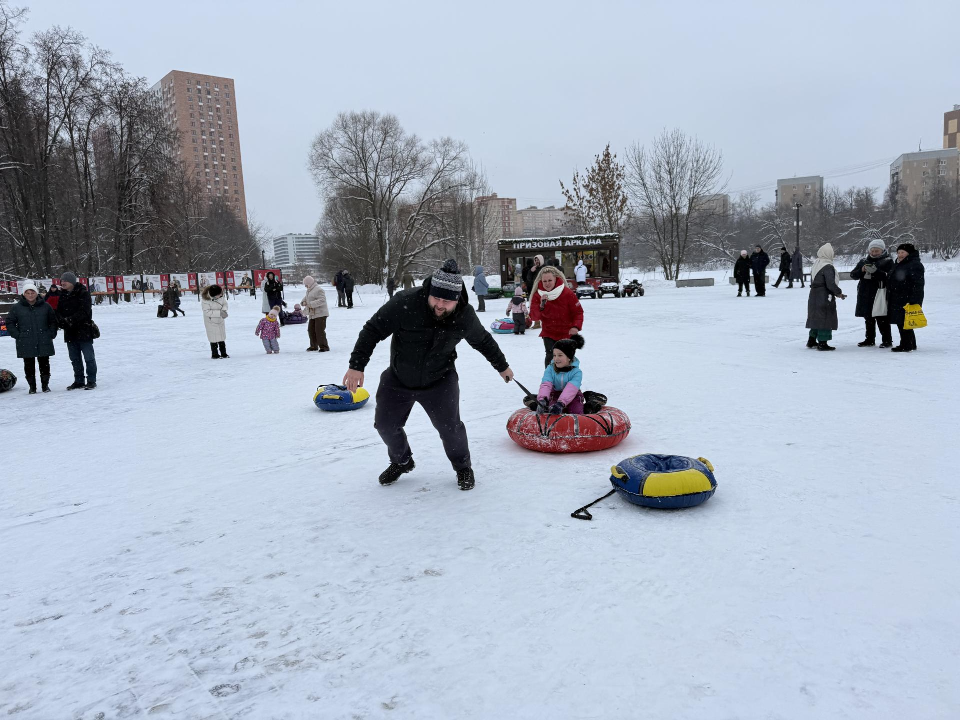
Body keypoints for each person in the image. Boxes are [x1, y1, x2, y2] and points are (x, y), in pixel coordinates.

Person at [343, 259, 514, 492]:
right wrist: (356, 365)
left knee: (450, 428)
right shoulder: (406, 302)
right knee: (384, 425)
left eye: (447, 301)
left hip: (440, 380)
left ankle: (463, 467)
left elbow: (482, 340)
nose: (440, 305)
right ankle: (402, 460)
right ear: (429, 292)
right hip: (398, 378)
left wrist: (501, 366)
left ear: (457, 299)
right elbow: (373, 329)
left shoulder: (463, 315)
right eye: (436, 298)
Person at [6, 281, 58, 394]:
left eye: (32, 292)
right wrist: (17, 335)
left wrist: (51, 333)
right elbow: (10, 322)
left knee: (44, 363)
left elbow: (53, 321)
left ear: (36, 293)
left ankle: (45, 385)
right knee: (28, 365)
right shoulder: (17, 308)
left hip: (43, 338)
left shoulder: (45, 306)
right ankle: (32, 387)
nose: (30, 295)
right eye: (28, 293)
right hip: (25, 340)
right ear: (24, 294)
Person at [528, 265, 583, 367]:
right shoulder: (537, 295)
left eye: (550, 280)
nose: (547, 284)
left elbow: (578, 312)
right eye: (545, 281)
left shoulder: (567, 292)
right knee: (551, 356)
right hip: (549, 333)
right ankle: (549, 380)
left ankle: (568, 380)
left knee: (566, 357)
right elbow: (534, 317)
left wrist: (575, 326)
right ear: (541, 281)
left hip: (566, 332)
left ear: (555, 279)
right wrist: (541, 305)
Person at [56, 272, 98, 390]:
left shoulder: (83, 293)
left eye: (65, 281)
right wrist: (60, 320)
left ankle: (91, 380)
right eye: (61, 281)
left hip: (84, 330)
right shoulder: (62, 295)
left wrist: (70, 320)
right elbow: (59, 311)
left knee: (89, 357)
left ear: (72, 282)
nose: (62, 283)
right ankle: (79, 380)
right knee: (74, 358)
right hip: (70, 332)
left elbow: (85, 312)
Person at [850, 239, 893, 347]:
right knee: (868, 317)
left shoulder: (888, 261)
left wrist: (876, 272)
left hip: (880, 292)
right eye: (872, 250)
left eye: (876, 251)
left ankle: (887, 340)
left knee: (881, 317)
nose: (874, 253)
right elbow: (853, 275)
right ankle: (869, 339)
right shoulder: (863, 261)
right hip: (865, 293)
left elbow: (890, 277)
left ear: (882, 250)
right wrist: (862, 270)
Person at [805, 243, 847, 351]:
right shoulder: (827, 266)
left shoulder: (816, 264)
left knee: (816, 317)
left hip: (814, 294)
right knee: (825, 317)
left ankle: (812, 340)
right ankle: (822, 343)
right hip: (824, 295)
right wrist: (839, 293)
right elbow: (830, 284)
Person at [886, 242, 925, 353]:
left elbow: (918, 284)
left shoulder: (914, 264)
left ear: (909, 253)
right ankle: (910, 343)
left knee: (904, 322)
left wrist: (914, 300)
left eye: (902, 252)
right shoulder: (899, 263)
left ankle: (906, 344)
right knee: (902, 321)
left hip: (907, 298)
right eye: (898, 252)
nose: (900, 254)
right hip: (897, 297)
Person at [535, 335, 586, 415]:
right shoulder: (550, 369)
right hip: (555, 395)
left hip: (574, 396)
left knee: (576, 412)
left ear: (569, 357)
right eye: (554, 355)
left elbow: (571, 389)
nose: (556, 359)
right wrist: (542, 399)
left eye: (560, 355)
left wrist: (561, 403)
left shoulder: (576, 372)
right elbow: (546, 384)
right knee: (551, 413)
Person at [300, 275, 330, 351]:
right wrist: (303, 302)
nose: (305, 286)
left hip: (320, 313)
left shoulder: (318, 289)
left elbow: (322, 300)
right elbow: (306, 298)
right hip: (312, 314)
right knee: (311, 330)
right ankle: (313, 346)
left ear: (309, 283)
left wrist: (311, 304)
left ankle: (324, 346)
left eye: (306, 284)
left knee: (319, 330)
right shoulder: (309, 290)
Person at [201, 284, 230, 359]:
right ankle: (215, 354)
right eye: (219, 294)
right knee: (213, 337)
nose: (220, 295)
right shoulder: (205, 300)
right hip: (210, 321)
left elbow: (225, 304)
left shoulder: (221, 297)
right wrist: (219, 313)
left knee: (221, 336)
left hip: (220, 319)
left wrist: (223, 310)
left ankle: (224, 353)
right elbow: (206, 312)